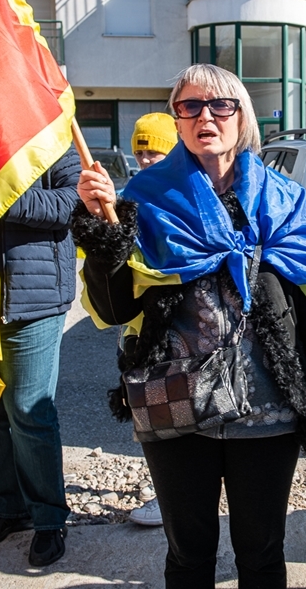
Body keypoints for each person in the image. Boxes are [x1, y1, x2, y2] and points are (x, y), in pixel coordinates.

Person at [72, 63, 306, 588]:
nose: (204, 115)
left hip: (268, 409)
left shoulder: (284, 200)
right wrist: (103, 232)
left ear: (241, 116)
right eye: (189, 106)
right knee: (189, 554)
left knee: (261, 553)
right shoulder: (144, 199)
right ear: (178, 120)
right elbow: (115, 308)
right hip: (176, 403)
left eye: (219, 105)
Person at [0, 146, 81, 567]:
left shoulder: (48, 132)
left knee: (29, 411)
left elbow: (73, 201)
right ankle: (8, 507)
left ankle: (49, 517)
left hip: (35, 298)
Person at [124, 111, 178, 528]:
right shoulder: (132, 193)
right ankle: (169, 493)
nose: (146, 160)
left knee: (178, 410)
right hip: (142, 322)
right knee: (152, 407)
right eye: (141, 151)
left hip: (180, 322)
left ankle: (176, 496)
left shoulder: (183, 194)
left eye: (155, 151)